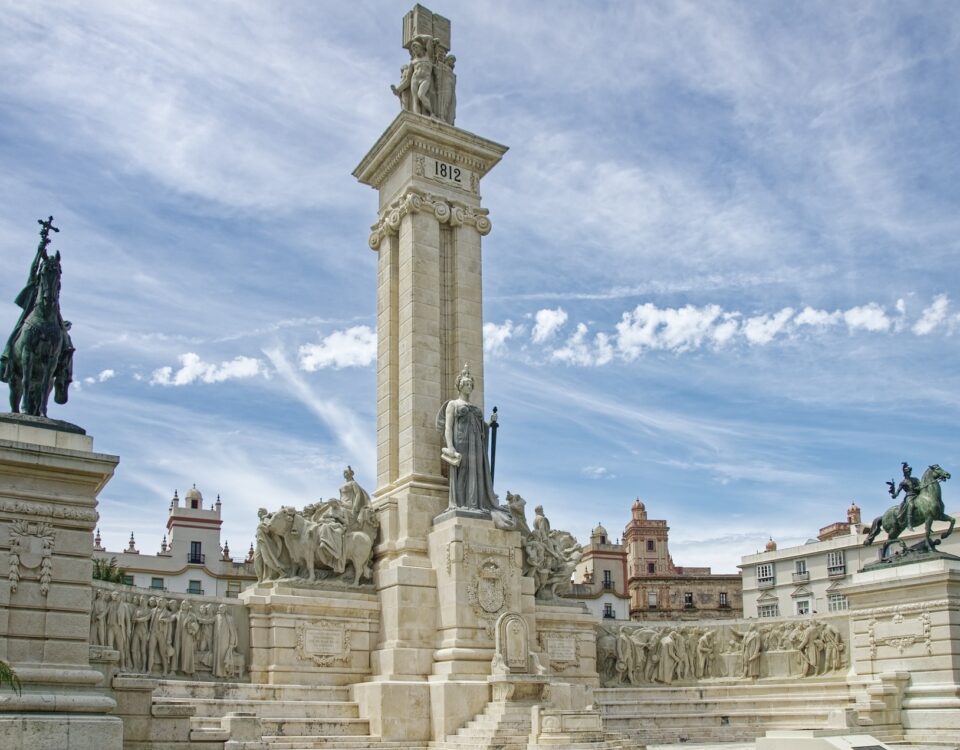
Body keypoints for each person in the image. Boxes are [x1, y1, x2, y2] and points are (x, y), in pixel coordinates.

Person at [436, 364, 514, 529]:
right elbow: (448, 427)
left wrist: (490, 423)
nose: (468, 386)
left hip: (476, 445)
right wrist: (450, 446)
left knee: (476, 472)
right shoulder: (453, 404)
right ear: (459, 386)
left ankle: (475, 504)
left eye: (470, 384)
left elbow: (482, 428)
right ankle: (461, 503)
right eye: (466, 384)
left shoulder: (475, 408)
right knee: (462, 471)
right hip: (461, 441)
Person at [889, 462, 921, 529]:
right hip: (909, 496)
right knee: (911, 505)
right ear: (905, 473)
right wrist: (894, 495)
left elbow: (921, 486)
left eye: (910, 472)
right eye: (908, 472)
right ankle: (909, 524)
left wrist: (918, 488)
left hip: (917, 495)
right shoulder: (903, 482)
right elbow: (897, 492)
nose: (909, 473)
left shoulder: (915, 479)